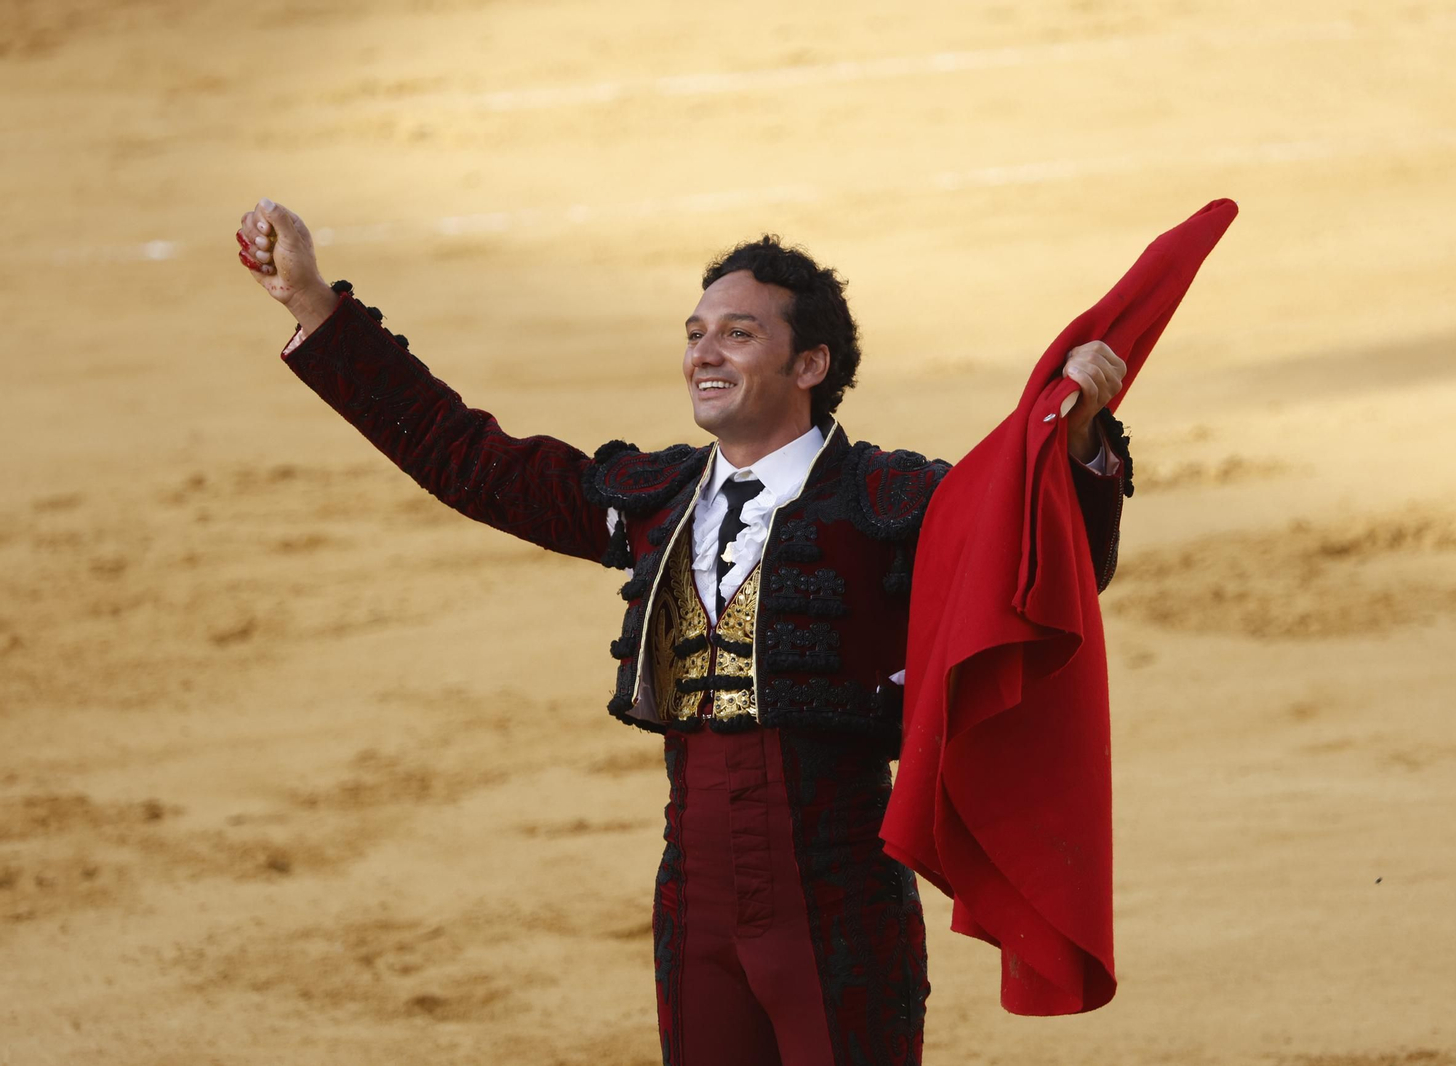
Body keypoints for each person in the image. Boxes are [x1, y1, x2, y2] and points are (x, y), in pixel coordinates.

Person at [235, 196, 1133, 1066]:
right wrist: (314, 305)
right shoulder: (655, 500)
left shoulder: (889, 501)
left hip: (841, 901)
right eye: (696, 332)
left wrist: (1082, 444)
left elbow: (1049, 565)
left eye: (737, 334)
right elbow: (469, 459)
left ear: (810, 364)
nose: (704, 352)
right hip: (693, 904)